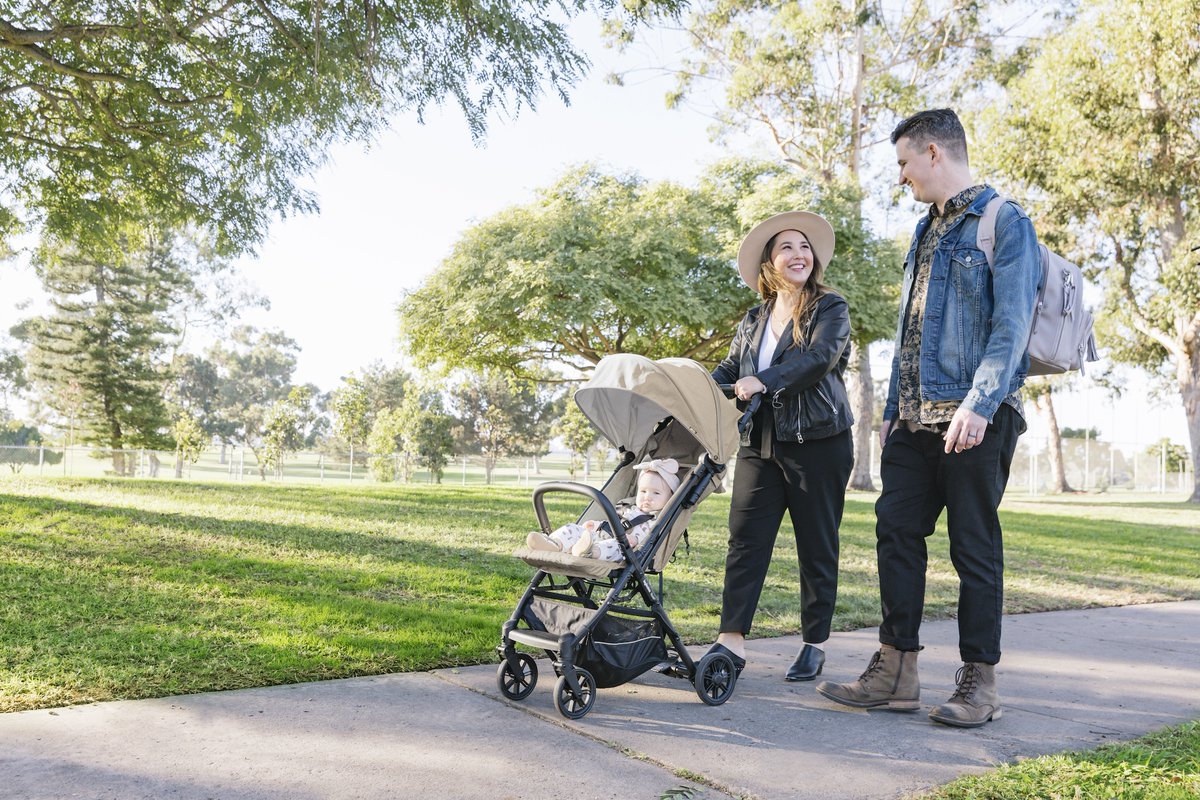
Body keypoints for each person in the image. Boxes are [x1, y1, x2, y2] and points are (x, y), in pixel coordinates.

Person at [816, 108, 1040, 728]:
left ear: (934, 153)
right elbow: (909, 332)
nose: (901, 176)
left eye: (904, 162)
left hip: (975, 417)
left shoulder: (1004, 220)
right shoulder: (924, 230)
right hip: (914, 421)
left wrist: (980, 402)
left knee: (974, 546)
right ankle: (896, 671)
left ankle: (980, 682)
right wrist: (892, 410)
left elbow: (1012, 325)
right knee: (895, 532)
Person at [706, 210, 854, 681]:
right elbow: (731, 369)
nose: (799, 254)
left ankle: (814, 643)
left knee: (816, 545)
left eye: (804, 246)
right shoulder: (754, 319)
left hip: (819, 443)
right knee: (745, 540)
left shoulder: (830, 308)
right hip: (759, 444)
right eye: (787, 247)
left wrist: (763, 380)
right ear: (770, 262)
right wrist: (695, 387)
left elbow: (819, 359)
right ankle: (731, 640)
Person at [525, 458, 679, 562]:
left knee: (615, 547)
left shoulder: (656, 520)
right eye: (643, 491)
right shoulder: (628, 508)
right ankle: (554, 544)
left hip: (623, 548)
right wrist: (596, 525)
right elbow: (613, 520)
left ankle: (589, 552)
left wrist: (636, 540)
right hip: (600, 535)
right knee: (572, 528)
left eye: (656, 493)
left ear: (670, 498)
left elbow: (648, 537)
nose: (647, 497)